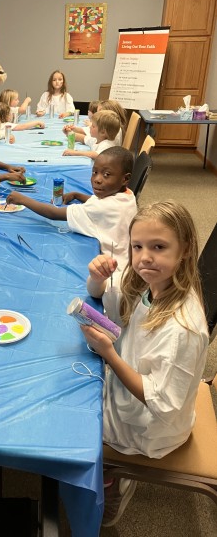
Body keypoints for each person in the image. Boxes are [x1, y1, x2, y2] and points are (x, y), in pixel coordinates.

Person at [83, 201, 208, 526]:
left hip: (150, 427)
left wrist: (109, 354)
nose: (144, 257)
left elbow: (163, 404)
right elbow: (108, 302)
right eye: (137, 247)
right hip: (132, 393)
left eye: (158, 247)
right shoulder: (148, 284)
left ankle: (111, 483)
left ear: (185, 250)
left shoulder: (183, 329)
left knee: (76, 424)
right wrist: (96, 279)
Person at [6, 147, 137, 274]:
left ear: (125, 179)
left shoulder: (103, 208)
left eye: (106, 174)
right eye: (94, 172)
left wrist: (22, 199)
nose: (97, 179)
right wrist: (76, 195)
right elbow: (99, 201)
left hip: (115, 272)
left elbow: (54, 214)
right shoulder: (127, 194)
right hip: (127, 262)